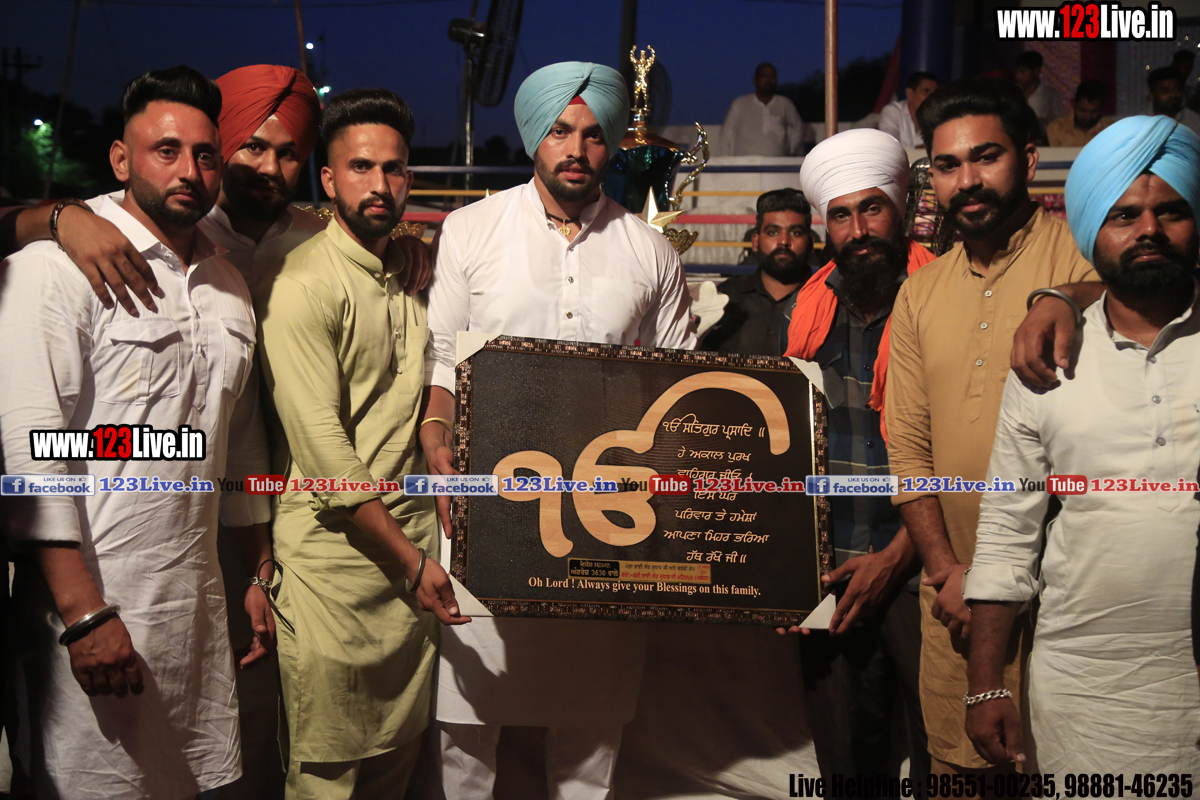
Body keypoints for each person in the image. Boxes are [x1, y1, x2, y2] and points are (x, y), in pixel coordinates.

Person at [423, 61, 696, 799]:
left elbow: (676, 381)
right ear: (534, 139)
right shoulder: (471, 230)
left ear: (611, 146)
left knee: (591, 718)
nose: (576, 149)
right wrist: (437, 433)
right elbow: (443, 359)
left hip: (608, 509)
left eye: (593, 134)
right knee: (469, 718)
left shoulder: (648, 249)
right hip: (489, 501)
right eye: (559, 131)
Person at [0, 65, 269, 800]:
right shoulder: (53, 270)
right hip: (91, 612)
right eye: (166, 150)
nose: (189, 171)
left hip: (194, 614)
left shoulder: (227, 285)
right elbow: (31, 452)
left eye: (206, 155)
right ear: (121, 158)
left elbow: (235, 443)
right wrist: (82, 614)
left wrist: (256, 571)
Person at [964, 115, 1200, 773]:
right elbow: (1007, 528)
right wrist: (985, 684)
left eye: (1171, 210)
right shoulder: (1048, 357)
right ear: (1092, 228)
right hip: (1085, 687)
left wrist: (1058, 294)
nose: (1149, 229)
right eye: (1124, 215)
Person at [253, 88, 466, 800]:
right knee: (326, 774)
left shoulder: (413, 274)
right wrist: (411, 561)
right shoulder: (303, 284)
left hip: (410, 567)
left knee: (395, 769)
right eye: (360, 167)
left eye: (394, 169)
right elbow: (324, 453)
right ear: (329, 178)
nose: (380, 184)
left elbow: (438, 377)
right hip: (332, 570)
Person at [885, 77, 1098, 776]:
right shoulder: (920, 291)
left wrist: (1065, 296)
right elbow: (907, 449)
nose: (967, 181)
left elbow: (1151, 293)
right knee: (961, 774)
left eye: (986, 157)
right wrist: (945, 572)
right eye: (947, 165)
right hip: (954, 607)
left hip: (1068, 603)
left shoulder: (1081, 258)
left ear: (1028, 159)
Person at [776, 128, 932, 784]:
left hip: (927, 572)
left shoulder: (947, 300)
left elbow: (976, 449)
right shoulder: (804, 312)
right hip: (830, 575)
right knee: (846, 768)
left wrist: (897, 556)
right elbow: (782, 452)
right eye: (841, 215)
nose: (859, 229)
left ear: (902, 209)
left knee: (946, 759)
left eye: (872, 208)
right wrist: (780, 574)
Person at [701, 188, 813, 355]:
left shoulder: (827, 301)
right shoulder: (726, 297)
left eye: (795, 232)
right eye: (773, 232)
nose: (784, 241)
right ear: (755, 242)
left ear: (810, 243)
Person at [719, 63, 810, 156]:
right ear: (755, 81)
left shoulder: (784, 103)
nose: (768, 80)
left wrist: (790, 151)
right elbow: (726, 133)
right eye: (764, 76)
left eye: (772, 76)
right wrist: (725, 161)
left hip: (777, 162)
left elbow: (797, 128)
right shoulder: (740, 103)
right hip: (745, 162)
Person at [879, 72, 938, 150]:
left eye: (934, 93)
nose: (931, 97)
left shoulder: (938, 115)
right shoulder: (893, 111)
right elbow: (889, 146)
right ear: (909, 93)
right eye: (926, 91)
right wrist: (918, 150)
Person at [1045, 79, 1109, 147]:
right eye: (1083, 111)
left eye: (1094, 111)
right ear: (1073, 103)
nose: (1088, 117)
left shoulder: (1111, 130)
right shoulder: (1056, 128)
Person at [1013, 51, 1061, 132]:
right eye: (1016, 72)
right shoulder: (1014, 93)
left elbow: (1059, 122)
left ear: (1036, 71)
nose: (1018, 76)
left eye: (1022, 72)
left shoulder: (1049, 95)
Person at [1149, 66, 1200, 138]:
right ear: (1152, 96)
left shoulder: (1193, 119)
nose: (1173, 95)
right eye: (1165, 91)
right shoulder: (1140, 121)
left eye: (1176, 89)